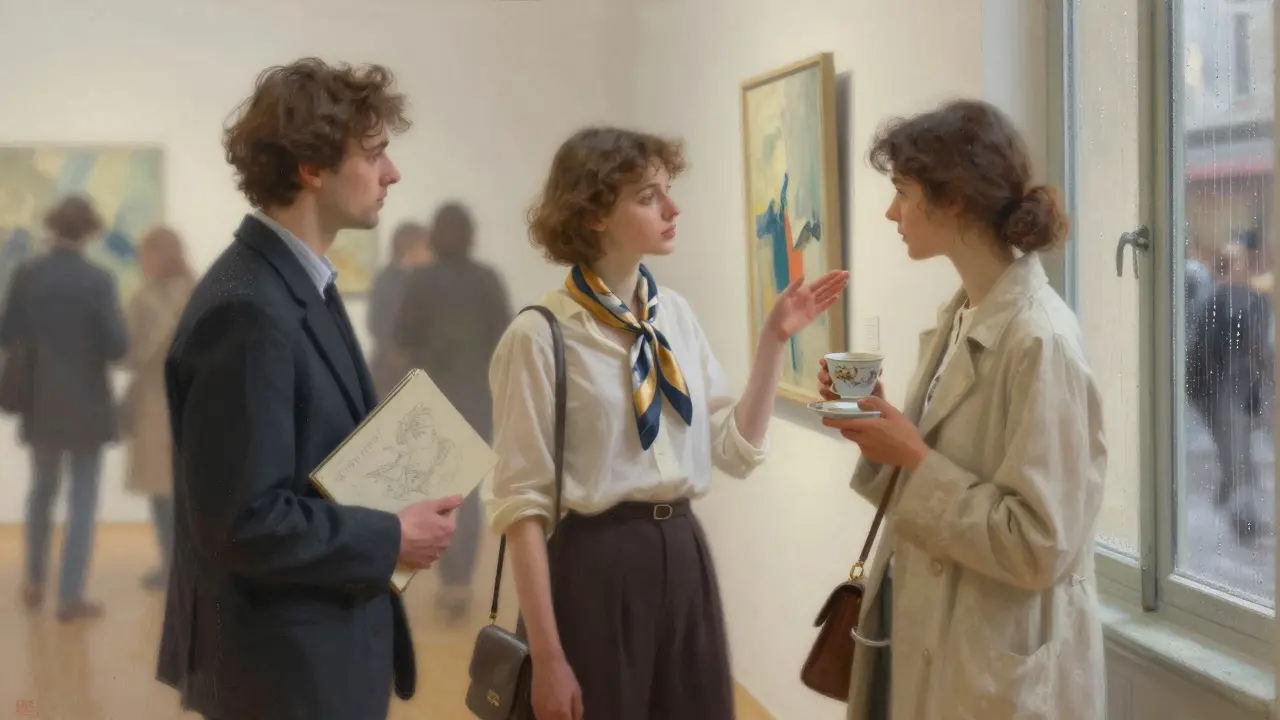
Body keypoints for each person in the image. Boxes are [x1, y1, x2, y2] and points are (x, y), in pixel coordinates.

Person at [482, 126, 848, 720]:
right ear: (596, 212)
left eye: (668, 190)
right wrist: (547, 658)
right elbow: (519, 507)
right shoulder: (538, 336)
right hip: (592, 567)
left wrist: (771, 346)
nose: (673, 208)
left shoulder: (673, 314)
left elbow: (733, 451)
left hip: (683, 555)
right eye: (650, 196)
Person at [156, 58, 463, 720]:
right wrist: (391, 537)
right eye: (376, 153)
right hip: (283, 675)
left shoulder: (292, 285)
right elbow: (243, 521)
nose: (392, 173)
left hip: (314, 655)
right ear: (312, 167)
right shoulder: (247, 310)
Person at [817, 99, 1107, 720]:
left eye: (901, 191)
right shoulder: (962, 315)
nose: (891, 211)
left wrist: (913, 458)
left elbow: (1040, 545)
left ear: (950, 200)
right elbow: (944, 470)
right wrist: (881, 433)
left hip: (998, 669)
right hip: (940, 639)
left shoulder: (1041, 340)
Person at [0, 194, 128, 622]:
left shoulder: (26, 274)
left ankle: (35, 579)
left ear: (53, 227)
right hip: (89, 406)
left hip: (40, 403)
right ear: (88, 232)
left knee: (41, 492)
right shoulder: (99, 279)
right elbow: (116, 347)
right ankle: (70, 595)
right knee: (83, 499)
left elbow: (5, 334)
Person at [394, 200, 512, 624]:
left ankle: (450, 582)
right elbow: (505, 339)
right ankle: (461, 583)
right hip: (477, 398)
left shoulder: (420, 281)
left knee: (440, 493)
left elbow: (402, 336)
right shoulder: (487, 280)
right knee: (471, 494)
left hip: (433, 399)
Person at [121, 226, 197, 590]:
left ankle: (176, 565)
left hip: (169, 401)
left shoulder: (149, 298)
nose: (142, 261)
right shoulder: (199, 290)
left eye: (146, 254)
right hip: (175, 402)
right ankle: (172, 563)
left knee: (174, 492)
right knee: (168, 491)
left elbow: (128, 353)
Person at [367, 220, 430, 398]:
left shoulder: (418, 280)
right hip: (392, 373)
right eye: (426, 247)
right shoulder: (390, 281)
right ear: (411, 248)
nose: (430, 254)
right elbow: (378, 324)